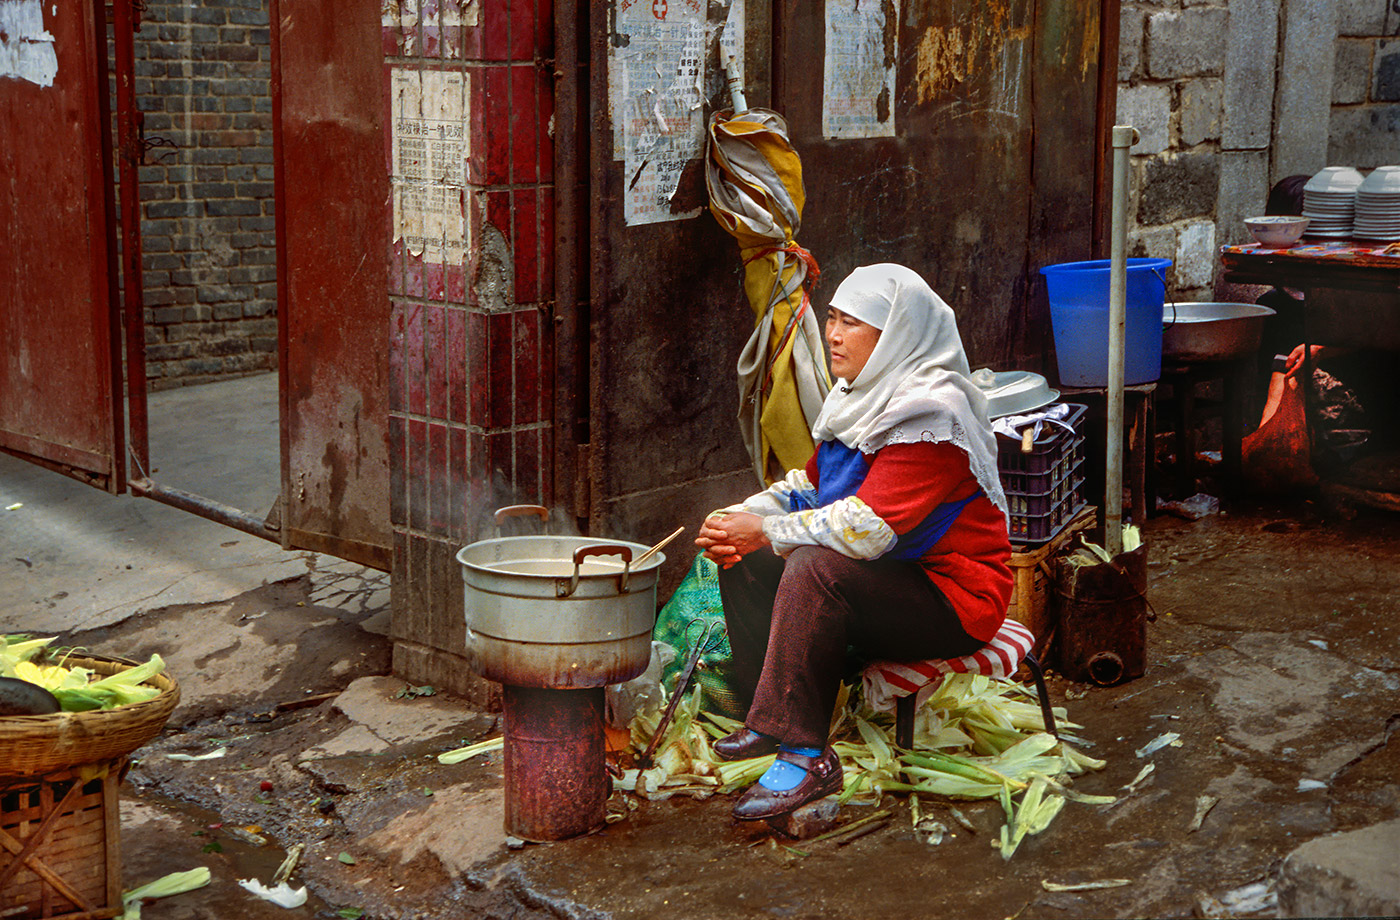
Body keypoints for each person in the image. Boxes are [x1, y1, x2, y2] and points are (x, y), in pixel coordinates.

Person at [694, 263, 1013, 820]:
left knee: (814, 566)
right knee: (747, 555)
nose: (833, 335)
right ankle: (768, 720)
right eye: (833, 318)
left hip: (953, 599)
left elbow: (864, 530)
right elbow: (810, 489)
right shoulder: (861, 395)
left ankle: (807, 757)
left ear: (895, 336)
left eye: (852, 324)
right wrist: (740, 519)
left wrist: (765, 530)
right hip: (893, 581)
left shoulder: (932, 411)